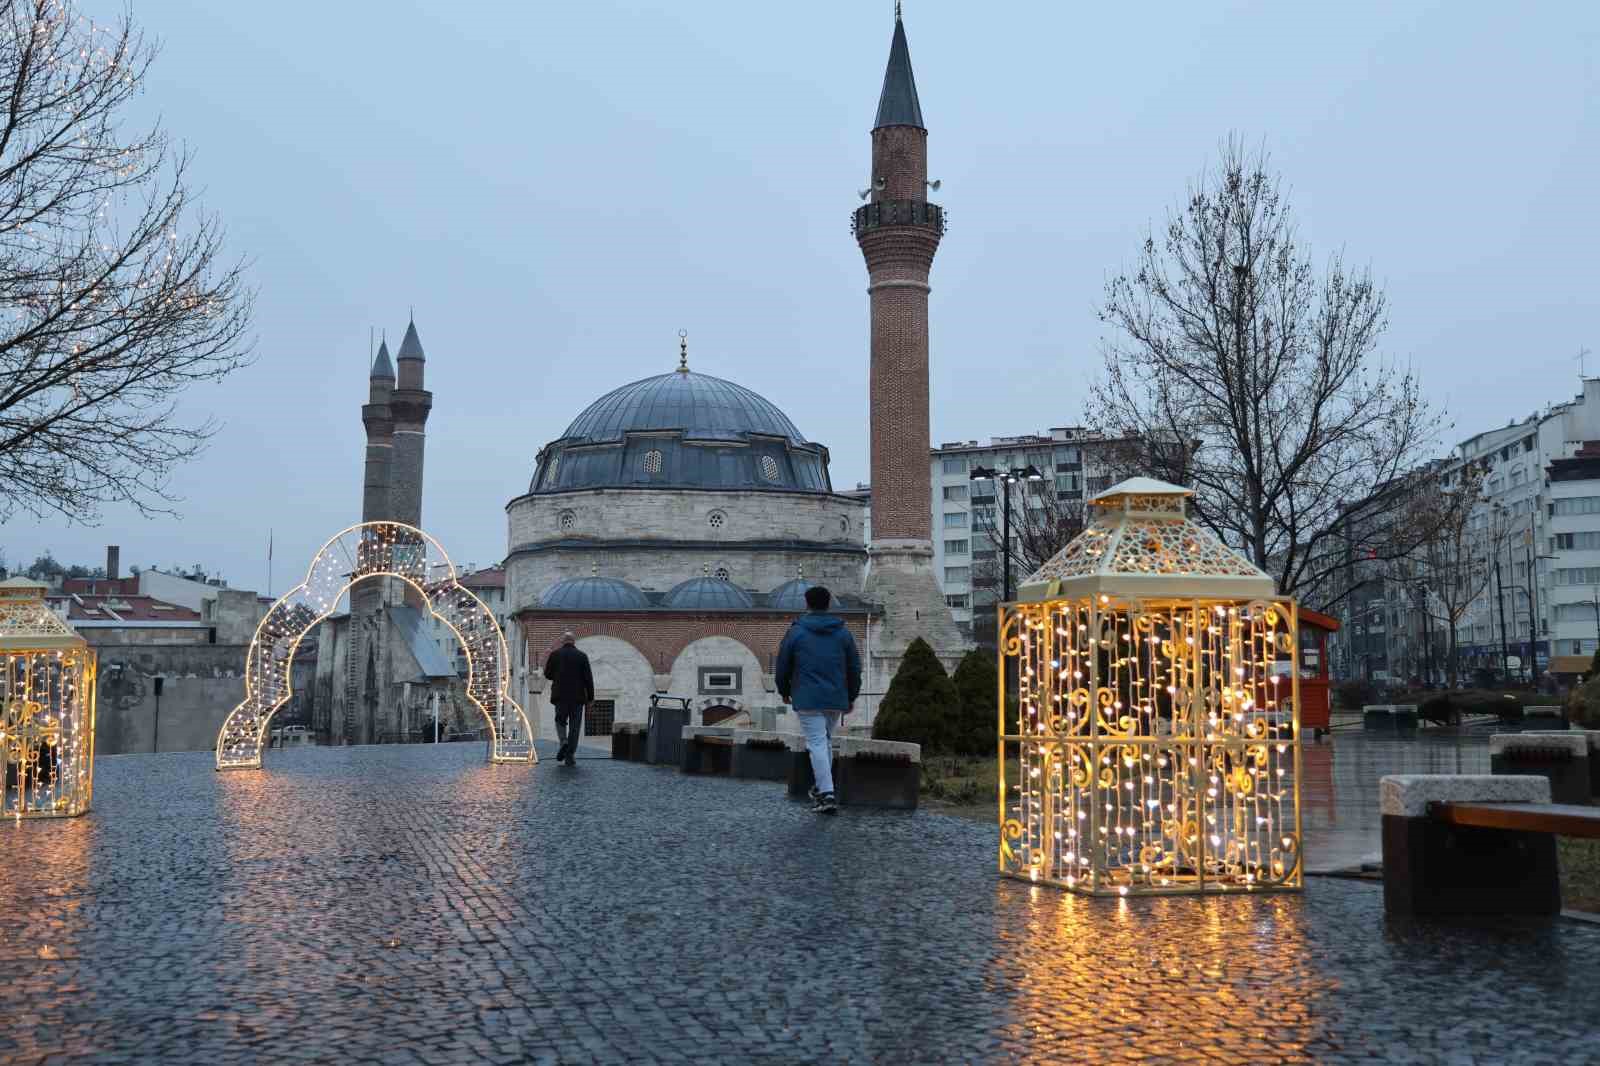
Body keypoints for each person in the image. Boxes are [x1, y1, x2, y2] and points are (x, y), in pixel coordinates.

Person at [775, 585, 862, 814]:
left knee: (817, 743)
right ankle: (822, 787)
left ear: (807, 604)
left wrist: (783, 689)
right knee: (824, 741)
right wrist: (852, 694)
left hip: (808, 697)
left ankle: (827, 793)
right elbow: (854, 666)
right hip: (835, 697)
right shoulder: (843, 632)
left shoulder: (797, 631)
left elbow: (783, 663)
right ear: (829, 603)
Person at [543, 631, 594, 767]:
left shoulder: (555, 655)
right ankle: (570, 755)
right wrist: (590, 698)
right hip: (577, 698)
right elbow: (588, 679)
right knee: (575, 727)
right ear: (574, 642)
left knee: (560, 721)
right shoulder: (582, 656)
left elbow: (547, 674)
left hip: (560, 696)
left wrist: (558, 675)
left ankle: (563, 741)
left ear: (562, 641)